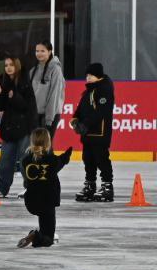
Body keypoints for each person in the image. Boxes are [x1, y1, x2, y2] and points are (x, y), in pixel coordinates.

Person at [0, 56, 37, 198]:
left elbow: (27, 106)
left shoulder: (25, 81)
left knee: (25, 159)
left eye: (11, 65)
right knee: (5, 159)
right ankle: (2, 187)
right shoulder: (3, 81)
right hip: (9, 127)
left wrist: (13, 96)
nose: (8, 68)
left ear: (17, 66)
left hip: (24, 127)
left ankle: (30, 187)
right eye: (6, 65)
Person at [18, 128, 72, 247]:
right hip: (48, 202)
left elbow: (26, 180)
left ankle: (38, 234)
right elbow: (61, 161)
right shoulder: (52, 160)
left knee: (44, 226)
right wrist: (67, 155)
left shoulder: (25, 160)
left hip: (31, 201)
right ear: (48, 142)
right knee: (48, 240)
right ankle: (35, 235)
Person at [71, 62, 115, 202]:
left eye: (91, 75)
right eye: (87, 75)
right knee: (88, 159)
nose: (88, 78)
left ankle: (107, 187)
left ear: (98, 76)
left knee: (101, 159)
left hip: (100, 133)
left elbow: (101, 112)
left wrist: (85, 124)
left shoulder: (104, 89)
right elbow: (81, 108)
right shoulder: (88, 91)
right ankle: (90, 185)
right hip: (88, 134)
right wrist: (75, 119)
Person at [29, 41, 66, 140]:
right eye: (37, 51)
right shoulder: (33, 70)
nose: (39, 53)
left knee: (45, 145)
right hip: (35, 115)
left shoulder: (55, 69)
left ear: (49, 52)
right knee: (36, 145)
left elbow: (54, 95)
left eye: (42, 51)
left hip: (49, 116)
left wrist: (49, 119)